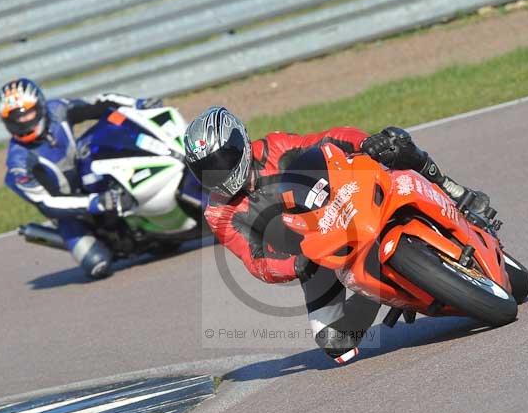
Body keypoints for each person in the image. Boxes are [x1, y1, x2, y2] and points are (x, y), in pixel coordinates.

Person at [184, 106, 491, 363]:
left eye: (222, 160)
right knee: (333, 341)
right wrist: (295, 264)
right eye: (207, 168)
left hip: (345, 202)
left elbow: (327, 139)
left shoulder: (276, 147)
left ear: (240, 142)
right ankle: (392, 294)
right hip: (316, 254)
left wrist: (366, 143)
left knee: (394, 143)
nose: (219, 172)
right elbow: (256, 261)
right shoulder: (219, 213)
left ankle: (454, 191)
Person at [0, 78, 160, 278]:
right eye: (15, 118)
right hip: (68, 213)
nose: (23, 122)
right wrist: (97, 203)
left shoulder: (57, 110)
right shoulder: (18, 164)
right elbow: (47, 203)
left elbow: (99, 104)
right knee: (97, 265)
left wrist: (138, 104)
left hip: (88, 176)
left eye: (27, 113)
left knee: (107, 132)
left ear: (40, 106)